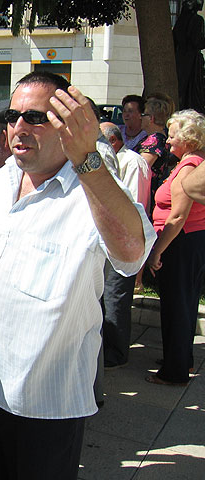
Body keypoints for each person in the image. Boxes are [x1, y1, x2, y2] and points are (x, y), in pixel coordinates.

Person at [0, 71, 155, 480]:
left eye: (35, 117)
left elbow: (132, 253)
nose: (18, 127)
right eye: (14, 116)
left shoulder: (94, 189)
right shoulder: (7, 178)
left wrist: (88, 158)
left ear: (68, 126)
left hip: (45, 405)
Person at [146, 109, 205, 386]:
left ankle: (175, 370)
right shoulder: (191, 163)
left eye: (171, 137)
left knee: (178, 305)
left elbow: (178, 216)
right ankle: (180, 358)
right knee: (183, 304)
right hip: (186, 242)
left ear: (188, 139)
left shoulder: (189, 166)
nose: (166, 142)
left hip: (180, 243)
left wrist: (157, 251)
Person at [99, 122, 151, 369]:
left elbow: (135, 203)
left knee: (116, 296)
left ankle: (117, 352)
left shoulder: (133, 162)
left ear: (112, 141)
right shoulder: (114, 158)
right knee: (107, 296)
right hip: (107, 235)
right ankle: (107, 348)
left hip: (122, 235)